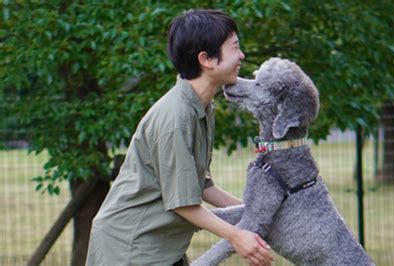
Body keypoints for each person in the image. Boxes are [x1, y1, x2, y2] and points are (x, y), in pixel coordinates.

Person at [86, 9, 274, 266]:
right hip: (130, 250)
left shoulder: (203, 106)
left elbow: (202, 186)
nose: (241, 55)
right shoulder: (175, 119)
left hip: (160, 249)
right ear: (206, 59)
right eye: (235, 48)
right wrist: (236, 235)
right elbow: (183, 204)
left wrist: (253, 215)